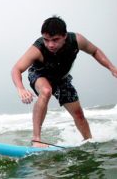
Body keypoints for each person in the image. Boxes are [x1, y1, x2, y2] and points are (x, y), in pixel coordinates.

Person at [11, 16, 117, 147]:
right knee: (46, 91)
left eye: (55, 40)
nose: (50, 44)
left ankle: (89, 141)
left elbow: (94, 51)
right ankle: (36, 139)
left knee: (78, 114)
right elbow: (16, 69)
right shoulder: (38, 48)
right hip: (39, 74)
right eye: (46, 40)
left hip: (62, 79)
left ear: (64, 36)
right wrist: (20, 88)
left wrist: (112, 68)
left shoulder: (76, 40)